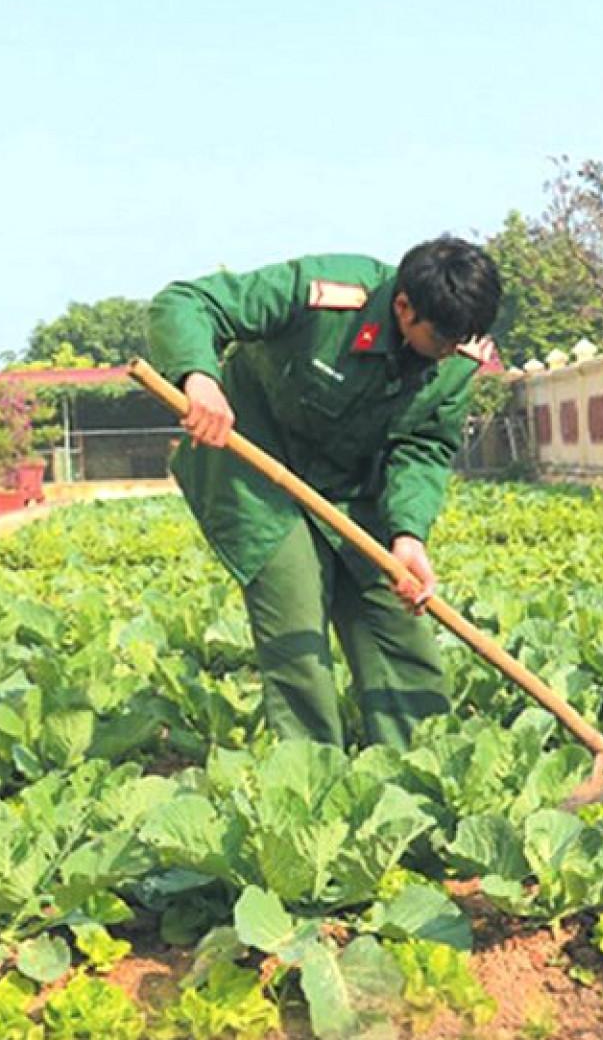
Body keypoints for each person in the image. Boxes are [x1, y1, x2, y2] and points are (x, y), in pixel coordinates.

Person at [146, 235, 503, 749]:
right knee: (299, 637)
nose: (450, 350)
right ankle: (313, 784)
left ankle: (423, 775)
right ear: (403, 307)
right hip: (259, 473)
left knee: (399, 630)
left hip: (355, 488)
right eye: (442, 337)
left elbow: (423, 447)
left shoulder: (456, 356)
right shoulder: (327, 292)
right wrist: (199, 378)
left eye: (460, 338)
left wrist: (408, 536)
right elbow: (186, 302)